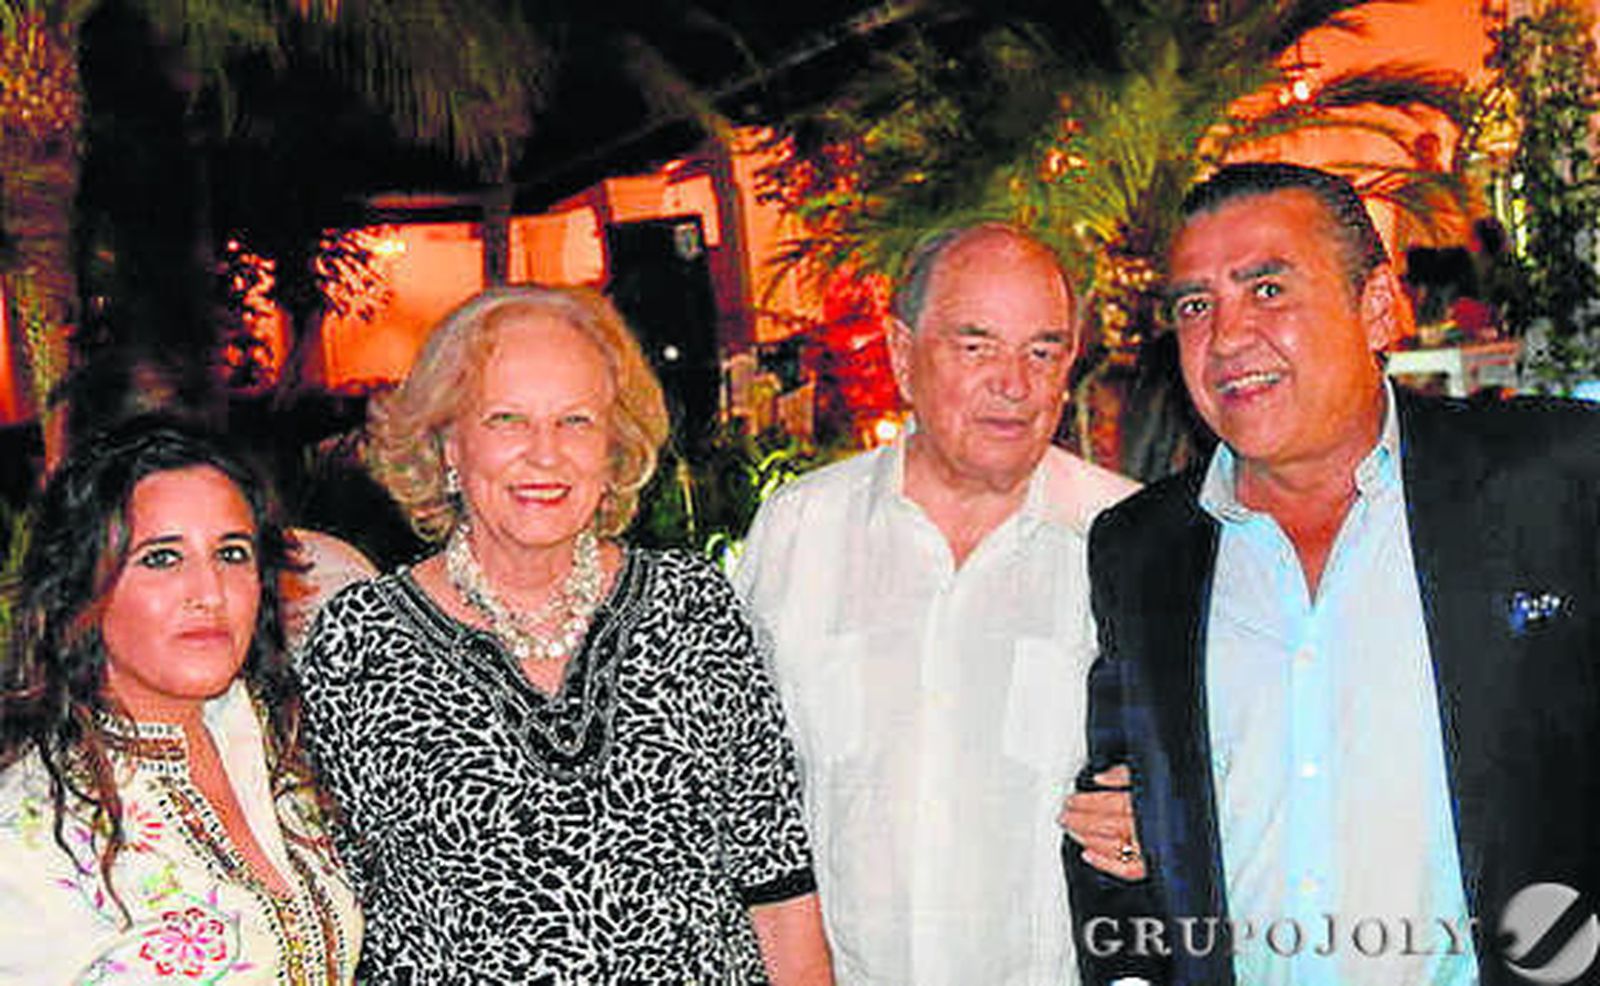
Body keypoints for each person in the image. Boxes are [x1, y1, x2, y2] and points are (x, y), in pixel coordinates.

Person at [1068, 162, 1600, 986]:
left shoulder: (1554, 479)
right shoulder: (1142, 551)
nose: (1228, 336)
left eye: (1268, 289)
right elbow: (1118, 828)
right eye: (1196, 306)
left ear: (1379, 308)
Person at [297, 285, 833, 983]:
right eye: (507, 420)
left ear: (613, 447)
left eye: (576, 421)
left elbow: (778, 886)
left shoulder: (695, 610)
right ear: (448, 442)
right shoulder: (360, 641)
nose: (544, 455)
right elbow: (333, 908)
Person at [736, 223, 1139, 984]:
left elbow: (1211, 785)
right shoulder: (799, 534)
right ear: (901, 355)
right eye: (976, 345)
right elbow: (737, 792)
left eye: (1043, 351)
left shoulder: (1131, 544)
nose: (1013, 383)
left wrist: (1165, 825)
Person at [0, 416, 360, 982]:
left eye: (233, 553)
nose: (209, 593)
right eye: (162, 558)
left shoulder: (282, 745)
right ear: (83, 586)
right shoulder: (29, 826)